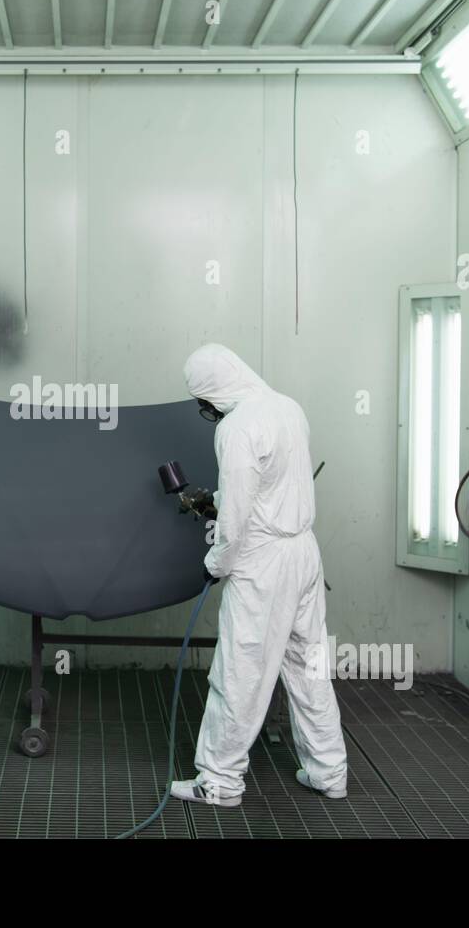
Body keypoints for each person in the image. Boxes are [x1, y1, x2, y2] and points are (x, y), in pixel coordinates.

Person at [170, 343, 348, 807]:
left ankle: (220, 782)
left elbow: (235, 517)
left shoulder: (237, 428)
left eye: (204, 401)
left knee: (240, 674)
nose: (206, 410)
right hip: (304, 552)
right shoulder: (289, 407)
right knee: (308, 668)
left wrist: (215, 564)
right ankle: (330, 772)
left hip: (264, 561)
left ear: (213, 392)